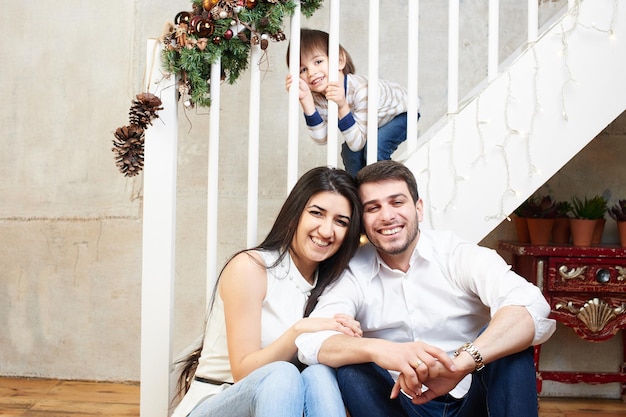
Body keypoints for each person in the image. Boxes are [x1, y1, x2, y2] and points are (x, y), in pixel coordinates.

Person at [296, 160, 557, 417]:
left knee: (510, 340)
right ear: (361, 221)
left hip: (473, 397)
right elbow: (311, 341)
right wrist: (382, 350)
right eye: (373, 208)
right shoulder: (352, 271)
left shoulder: (455, 254)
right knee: (353, 369)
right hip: (398, 403)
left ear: (419, 209)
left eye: (397, 202)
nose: (387, 216)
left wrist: (461, 364)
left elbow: (530, 304)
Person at [170, 166, 364, 417]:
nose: (327, 231)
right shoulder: (251, 268)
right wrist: (300, 329)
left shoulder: (331, 286)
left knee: (319, 373)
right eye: (317, 213)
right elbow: (244, 372)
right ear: (295, 214)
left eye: (340, 222)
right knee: (282, 373)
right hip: (217, 400)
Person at [286, 28, 417, 177]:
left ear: (339, 61)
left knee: (375, 148)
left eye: (318, 61)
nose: (311, 72)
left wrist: (342, 106)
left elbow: (357, 143)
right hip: (370, 123)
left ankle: (385, 187)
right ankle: (357, 194)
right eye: (302, 69)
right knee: (350, 154)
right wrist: (306, 101)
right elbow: (321, 138)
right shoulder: (318, 97)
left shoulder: (362, 90)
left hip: (402, 111)